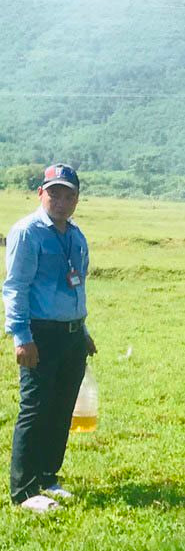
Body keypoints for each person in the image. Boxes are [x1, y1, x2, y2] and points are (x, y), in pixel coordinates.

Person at [3, 164, 96, 513]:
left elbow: (78, 287)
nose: (61, 200)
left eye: (68, 194)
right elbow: (15, 288)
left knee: (61, 409)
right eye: (54, 192)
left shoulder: (76, 236)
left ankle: (47, 476)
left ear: (77, 199)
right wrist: (21, 337)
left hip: (72, 337)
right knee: (35, 408)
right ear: (40, 193)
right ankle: (24, 491)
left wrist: (83, 332)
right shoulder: (27, 232)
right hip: (40, 334)